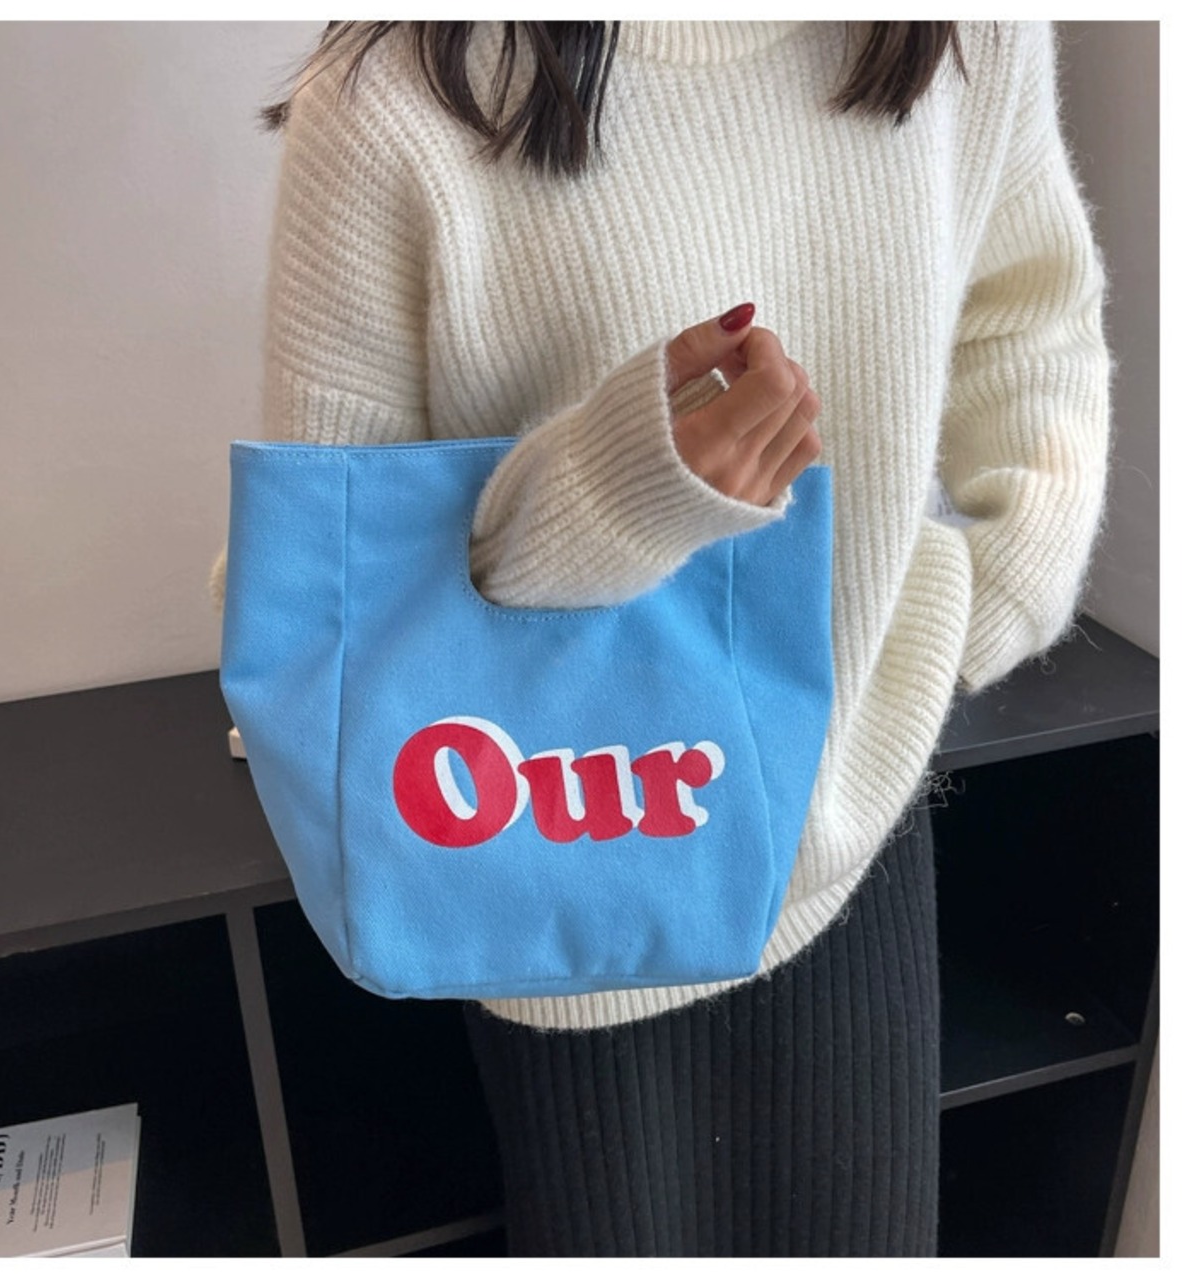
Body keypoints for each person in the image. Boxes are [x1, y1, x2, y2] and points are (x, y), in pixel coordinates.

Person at [211, 20, 1111, 1256]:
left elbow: (1028, 324)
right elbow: (340, 590)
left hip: (849, 823)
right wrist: (616, 497)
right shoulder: (397, 96)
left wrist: (997, 591)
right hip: (559, 855)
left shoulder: (965, 32)